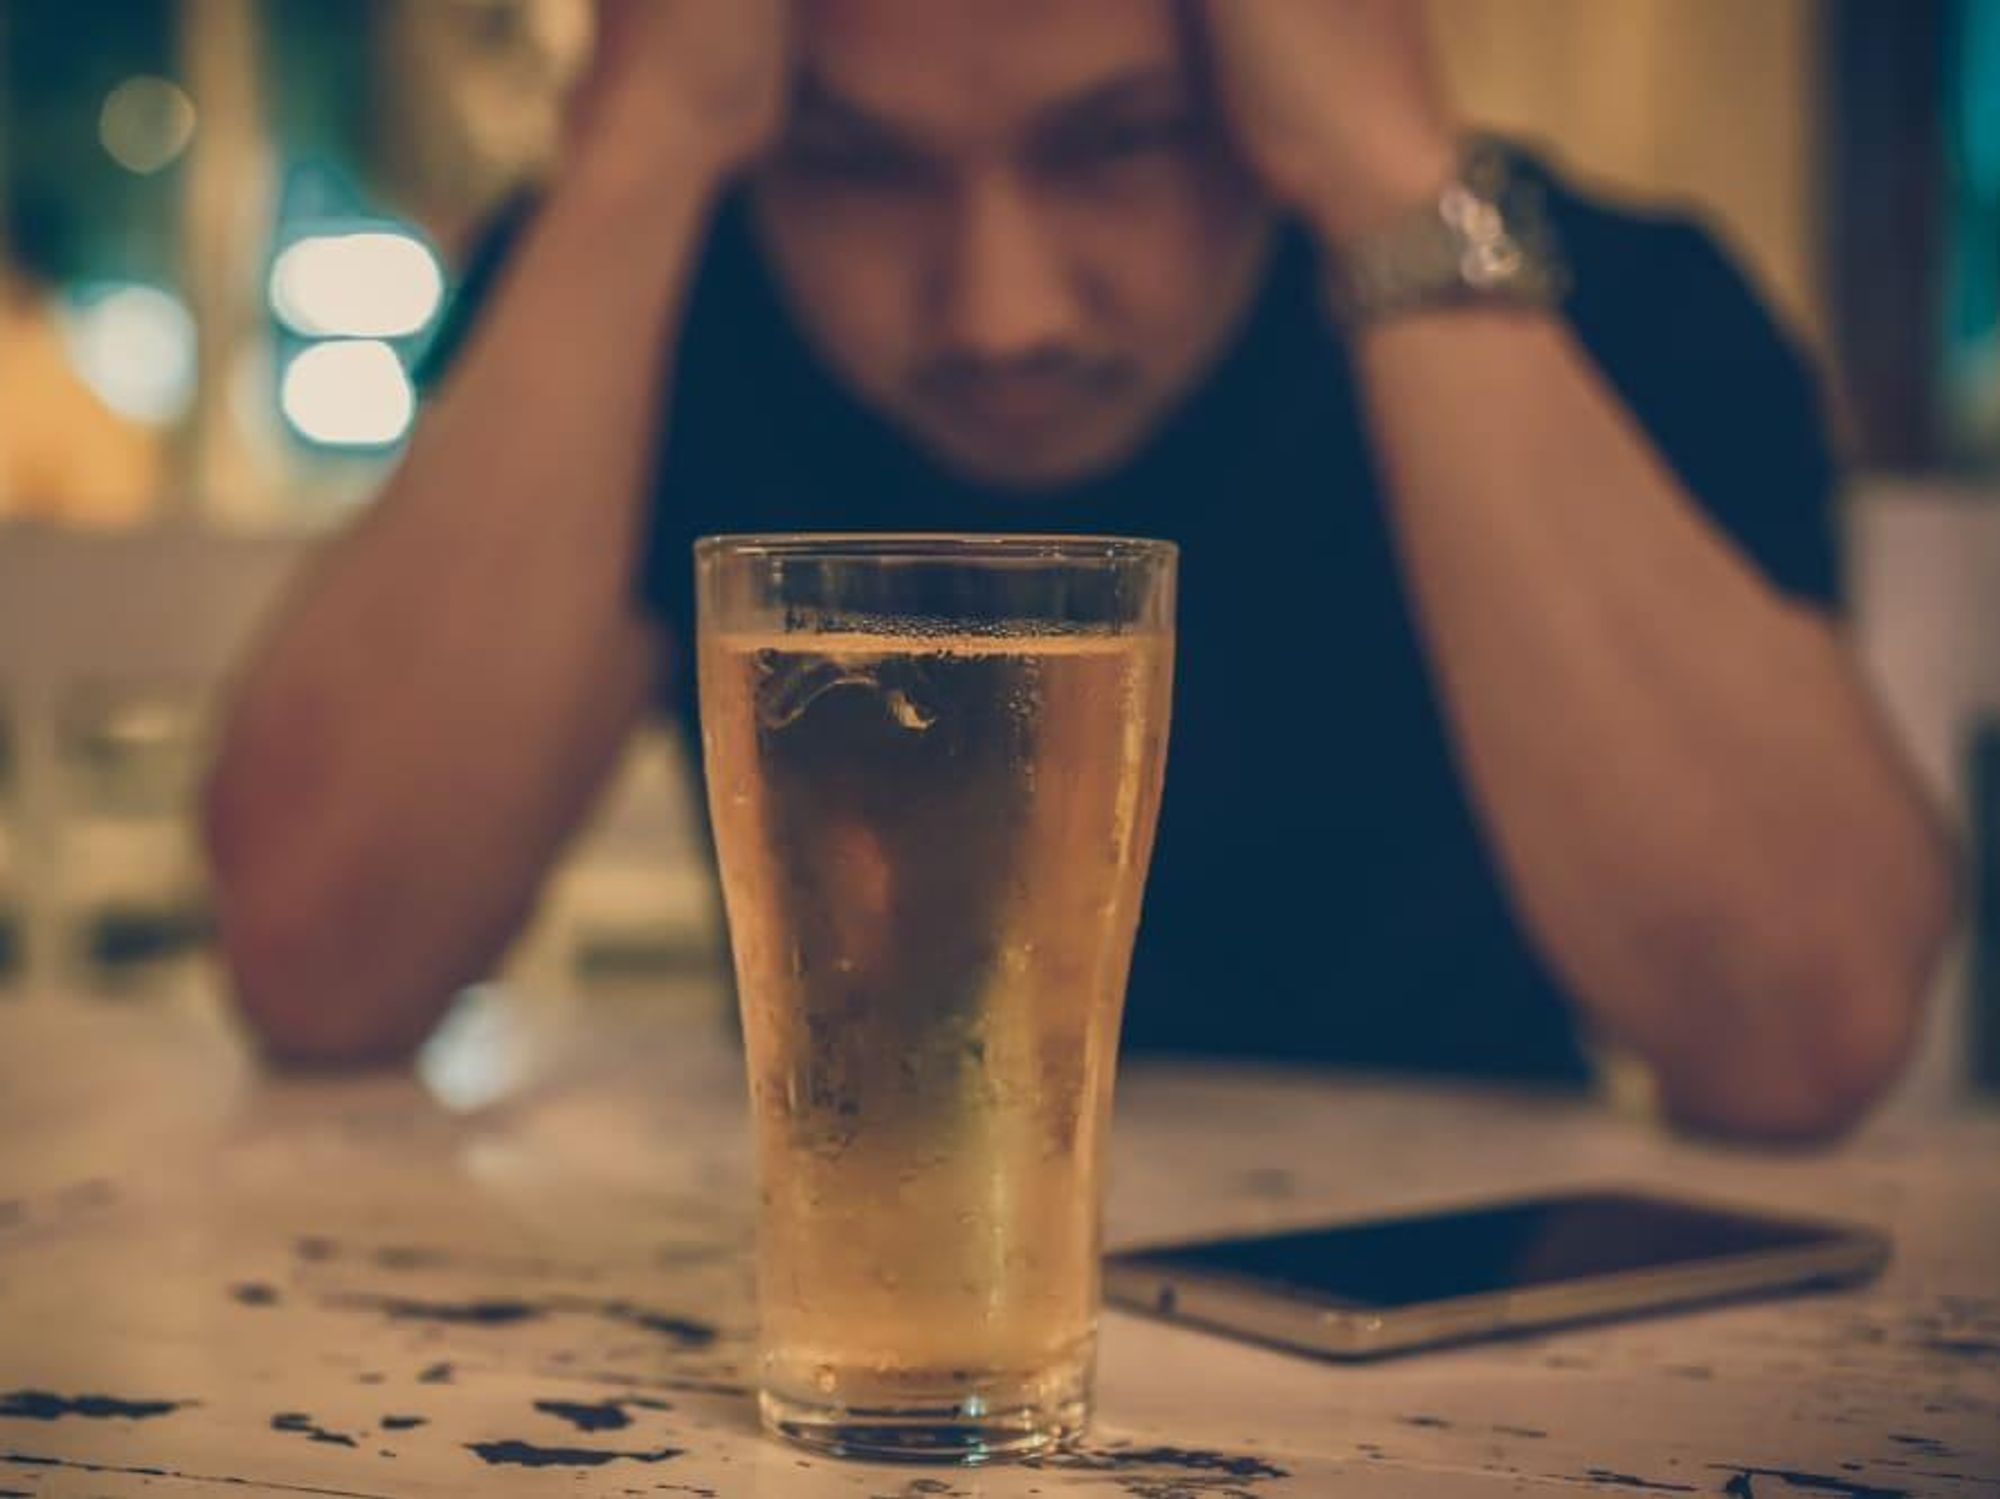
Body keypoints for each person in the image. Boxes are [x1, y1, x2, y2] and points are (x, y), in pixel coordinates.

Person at [204, 0, 1956, 1140]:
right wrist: (634, 160)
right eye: (856, 165)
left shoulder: (1613, 309)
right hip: (846, 1334)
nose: (999, 312)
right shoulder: (665, 293)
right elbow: (320, 962)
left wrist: (1383, 176)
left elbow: (1805, 1032)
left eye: (1118, 144)